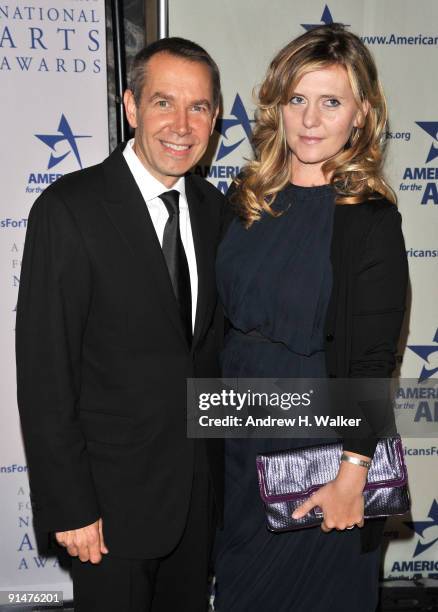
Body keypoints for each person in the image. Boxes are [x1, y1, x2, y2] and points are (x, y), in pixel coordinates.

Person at [16, 37, 227, 612]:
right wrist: (71, 506)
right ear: (131, 107)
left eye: (200, 107)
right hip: (107, 514)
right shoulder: (69, 210)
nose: (181, 124)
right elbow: (45, 372)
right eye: (164, 102)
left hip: (197, 503)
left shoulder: (217, 213)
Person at [214, 24, 408, 612]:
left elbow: (375, 360)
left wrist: (352, 476)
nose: (310, 119)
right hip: (237, 435)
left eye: (331, 101)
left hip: (320, 451)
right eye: (297, 99)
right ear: (277, 106)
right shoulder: (245, 198)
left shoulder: (369, 220)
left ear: (362, 114)